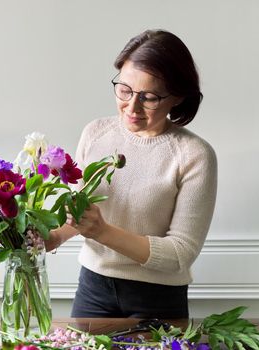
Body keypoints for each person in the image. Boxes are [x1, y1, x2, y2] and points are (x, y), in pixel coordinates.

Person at [45, 29, 217, 319]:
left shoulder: (194, 155)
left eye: (149, 97)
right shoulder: (96, 133)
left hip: (158, 299)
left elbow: (180, 254)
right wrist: (53, 237)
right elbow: (82, 215)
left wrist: (104, 232)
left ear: (176, 97)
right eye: (124, 90)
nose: (132, 107)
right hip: (92, 289)